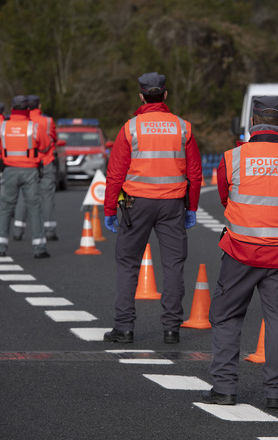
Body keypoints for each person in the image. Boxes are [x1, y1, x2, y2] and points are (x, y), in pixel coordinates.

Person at [202, 96, 278, 409]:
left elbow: (225, 197)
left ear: (252, 122)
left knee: (226, 316)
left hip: (240, 252)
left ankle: (224, 389)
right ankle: (276, 394)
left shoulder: (233, 158)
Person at [102, 72, 202, 345]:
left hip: (136, 206)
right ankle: (171, 329)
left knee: (127, 265)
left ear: (142, 95)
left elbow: (115, 174)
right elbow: (194, 172)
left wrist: (110, 209)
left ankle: (123, 328)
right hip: (172, 206)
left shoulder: (130, 128)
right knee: (173, 266)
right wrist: (191, 207)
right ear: (165, 95)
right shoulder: (183, 128)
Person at [0, 95, 52, 258]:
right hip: (30, 171)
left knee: (5, 208)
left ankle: (0, 247)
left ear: (12, 109)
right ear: (28, 110)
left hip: (9, 170)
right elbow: (46, 146)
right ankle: (39, 249)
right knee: (34, 208)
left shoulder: (3, 127)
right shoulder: (34, 127)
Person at [12, 95, 59, 241]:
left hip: (28, 163)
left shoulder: (22, 122)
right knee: (47, 196)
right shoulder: (47, 121)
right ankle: (49, 230)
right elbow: (52, 139)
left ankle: (18, 230)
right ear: (39, 106)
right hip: (45, 163)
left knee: (23, 195)